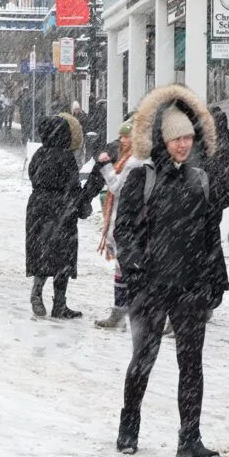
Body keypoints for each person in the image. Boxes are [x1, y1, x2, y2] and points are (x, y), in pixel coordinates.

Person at [112, 84, 229, 457]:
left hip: (190, 288)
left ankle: (190, 440)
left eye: (187, 138)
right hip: (150, 288)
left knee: (191, 366)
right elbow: (125, 231)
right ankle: (129, 426)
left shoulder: (199, 180)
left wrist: (215, 279)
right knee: (143, 361)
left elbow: (218, 215)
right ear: (161, 141)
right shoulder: (142, 180)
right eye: (175, 139)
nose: (182, 145)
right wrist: (136, 270)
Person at [26, 113, 90, 319]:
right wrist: (82, 207)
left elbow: (32, 175)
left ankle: (37, 291)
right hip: (61, 209)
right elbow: (73, 186)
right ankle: (59, 304)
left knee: (42, 252)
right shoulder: (65, 157)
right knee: (63, 256)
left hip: (37, 207)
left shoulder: (39, 154)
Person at [84, 120, 138, 330]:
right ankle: (120, 312)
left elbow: (117, 187)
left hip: (128, 222)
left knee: (127, 268)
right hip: (124, 221)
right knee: (122, 268)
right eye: (122, 136)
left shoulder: (134, 162)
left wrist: (106, 167)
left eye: (126, 136)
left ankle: (125, 314)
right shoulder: (128, 159)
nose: (122, 140)